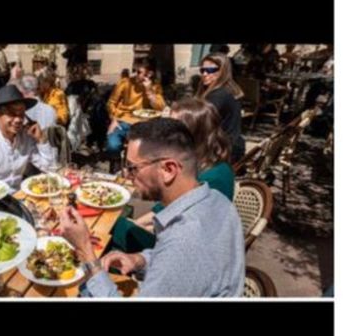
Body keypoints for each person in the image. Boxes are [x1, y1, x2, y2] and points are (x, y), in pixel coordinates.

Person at [59, 117, 245, 297]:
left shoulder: (185, 242)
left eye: (133, 167)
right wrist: (141, 260)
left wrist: (85, 250)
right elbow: (173, 259)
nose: (126, 174)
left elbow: (180, 256)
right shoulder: (215, 199)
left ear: (168, 170)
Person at [111, 97, 235, 253]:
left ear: (191, 133)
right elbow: (161, 212)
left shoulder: (214, 179)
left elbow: (186, 236)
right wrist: (135, 224)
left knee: (114, 230)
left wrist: (132, 228)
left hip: (179, 248)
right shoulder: (200, 161)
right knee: (119, 225)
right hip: (169, 234)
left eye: (171, 127)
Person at [0, 85, 53, 190]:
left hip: (19, 196)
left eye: (21, 114)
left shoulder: (25, 138)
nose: (18, 119)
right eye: (11, 113)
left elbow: (49, 167)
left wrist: (41, 139)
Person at [106, 60, 166, 172]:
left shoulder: (155, 86)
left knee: (146, 149)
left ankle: (136, 170)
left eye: (139, 72)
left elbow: (160, 107)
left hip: (144, 124)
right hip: (123, 120)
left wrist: (149, 91)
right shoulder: (125, 83)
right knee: (112, 145)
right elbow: (111, 103)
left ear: (149, 74)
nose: (136, 75)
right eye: (135, 71)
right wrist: (114, 119)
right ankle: (117, 166)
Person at [196, 52, 246, 163]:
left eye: (210, 70)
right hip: (233, 145)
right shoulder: (229, 88)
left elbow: (201, 124)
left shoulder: (218, 95)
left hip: (221, 151)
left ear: (222, 71)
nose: (204, 74)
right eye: (202, 70)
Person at [17, 74, 58, 165]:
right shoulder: (51, 110)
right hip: (51, 156)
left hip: (29, 160)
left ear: (21, 91)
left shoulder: (20, 111)